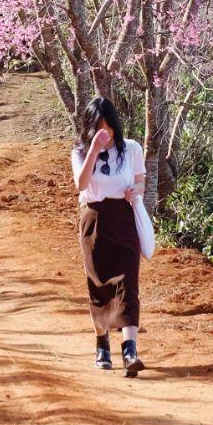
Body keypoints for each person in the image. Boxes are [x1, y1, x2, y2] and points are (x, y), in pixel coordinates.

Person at [71, 96, 146, 377]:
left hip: (123, 219)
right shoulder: (80, 153)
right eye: (99, 129)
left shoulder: (132, 149)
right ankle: (102, 343)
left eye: (109, 128)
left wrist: (135, 191)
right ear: (89, 129)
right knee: (99, 284)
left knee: (128, 282)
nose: (106, 134)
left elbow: (140, 180)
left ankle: (130, 350)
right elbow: (80, 184)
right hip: (94, 220)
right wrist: (94, 149)